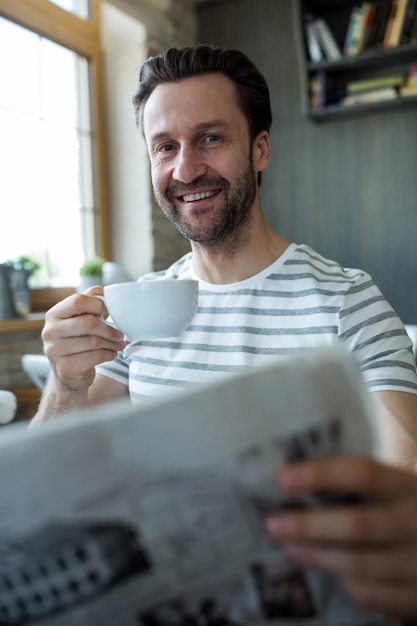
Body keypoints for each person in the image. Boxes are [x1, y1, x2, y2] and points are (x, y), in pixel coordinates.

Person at [32, 45, 417, 623]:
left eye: (211, 138)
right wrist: (65, 386)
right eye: (165, 147)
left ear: (259, 149)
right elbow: (49, 484)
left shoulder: (348, 300)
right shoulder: (135, 309)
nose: (185, 170)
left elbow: (405, 482)